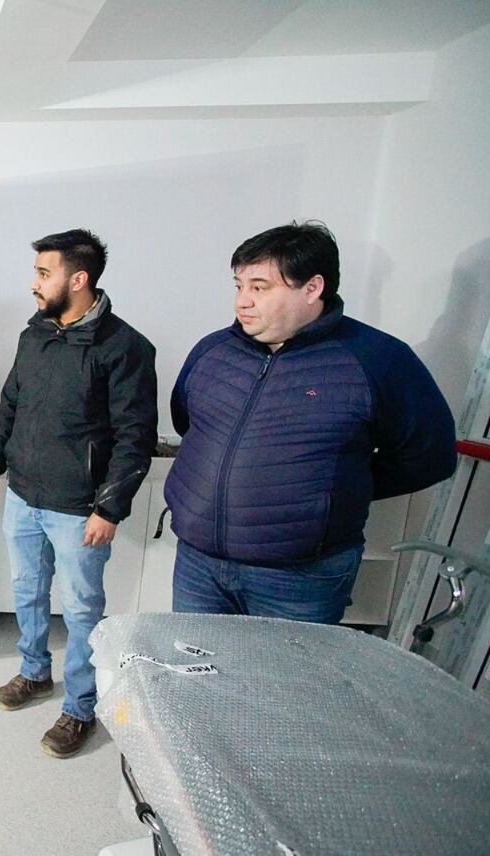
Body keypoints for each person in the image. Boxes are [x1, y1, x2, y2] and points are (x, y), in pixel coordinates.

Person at [166, 222, 456, 624]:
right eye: (239, 285)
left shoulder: (376, 359)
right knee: (196, 678)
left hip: (299, 579)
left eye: (260, 287)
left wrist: (336, 489)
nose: (242, 302)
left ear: (312, 288)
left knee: (287, 686)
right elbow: (189, 423)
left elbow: (429, 456)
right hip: (198, 566)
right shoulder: (213, 351)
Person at [0, 230, 157, 759]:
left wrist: (110, 506)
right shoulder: (35, 335)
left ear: (78, 280)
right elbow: (9, 405)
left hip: (79, 509)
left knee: (81, 612)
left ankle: (80, 708)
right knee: (27, 592)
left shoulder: (125, 347)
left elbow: (134, 436)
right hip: (24, 498)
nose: (34, 284)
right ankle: (34, 673)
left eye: (43, 274)